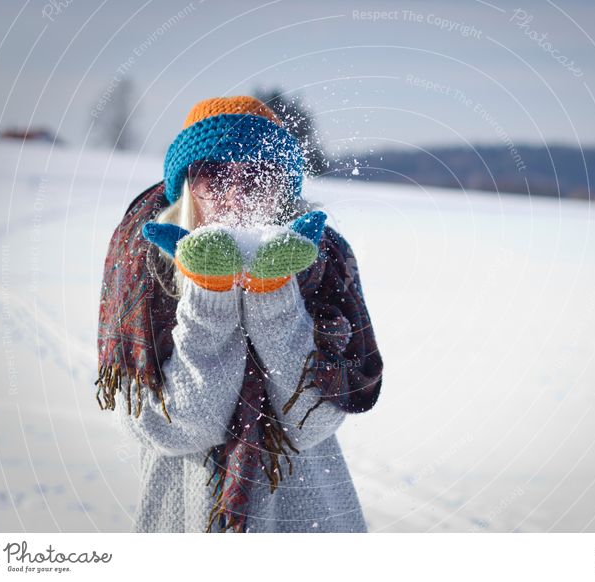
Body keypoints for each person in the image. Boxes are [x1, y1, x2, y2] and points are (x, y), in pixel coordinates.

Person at [95, 96, 383, 533]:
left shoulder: (321, 260)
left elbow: (313, 423)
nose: (233, 192)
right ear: (187, 184)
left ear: (281, 185)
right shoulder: (146, 265)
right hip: (188, 517)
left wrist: (273, 294)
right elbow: (175, 430)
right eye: (213, 172)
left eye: (253, 174)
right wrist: (210, 295)